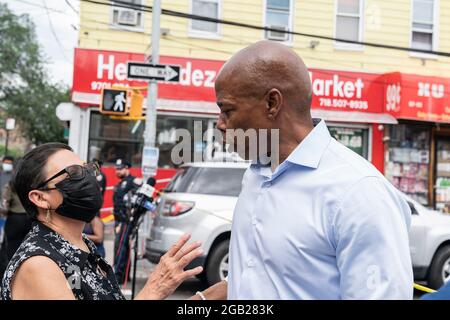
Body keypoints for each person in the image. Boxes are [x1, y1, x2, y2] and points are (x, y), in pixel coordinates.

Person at [194, 41, 413, 300]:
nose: (220, 124)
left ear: (272, 103)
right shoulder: (256, 175)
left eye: (227, 110)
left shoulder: (358, 194)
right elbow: (257, 277)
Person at [1, 143, 203, 300]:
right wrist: (152, 291)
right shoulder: (39, 265)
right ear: (40, 198)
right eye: (74, 173)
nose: (89, 179)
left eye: (88, 170)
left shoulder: (81, 245)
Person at [112, 158, 141, 285]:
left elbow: (141, 194)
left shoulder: (133, 181)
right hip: (119, 220)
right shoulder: (121, 183)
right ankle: (124, 275)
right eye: (116, 169)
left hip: (126, 220)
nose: (117, 171)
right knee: (122, 247)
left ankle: (118, 277)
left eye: (120, 168)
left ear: (127, 168)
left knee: (121, 247)